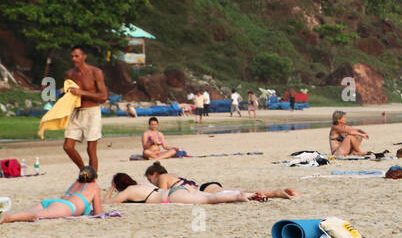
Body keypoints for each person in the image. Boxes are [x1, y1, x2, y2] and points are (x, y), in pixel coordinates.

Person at [139, 164, 301, 202]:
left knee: (234, 193)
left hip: (204, 190)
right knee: (240, 190)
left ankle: (276, 193)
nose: (151, 182)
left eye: (149, 179)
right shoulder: (172, 175)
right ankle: (276, 192)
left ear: (154, 174)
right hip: (205, 185)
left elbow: (162, 195)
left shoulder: (162, 177)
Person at [107, 172, 299, 204]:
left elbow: (109, 203)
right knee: (216, 194)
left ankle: (241, 196)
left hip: (171, 197)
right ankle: (251, 194)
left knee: (209, 200)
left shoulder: (128, 192)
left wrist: (110, 189)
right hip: (181, 190)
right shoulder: (144, 184)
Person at [2, 166, 102, 223]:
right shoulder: (94, 186)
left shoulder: (74, 184)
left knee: (25, 213)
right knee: (33, 216)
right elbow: (98, 212)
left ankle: (8, 216)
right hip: (66, 207)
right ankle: (7, 217)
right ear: (94, 178)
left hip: (53, 202)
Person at [63, 47, 108, 173]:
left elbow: (103, 97)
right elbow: (69, 94)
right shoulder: (70, 74)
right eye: (72, 56)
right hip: (76, 112)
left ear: (84, 57)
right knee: (68, 147)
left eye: (76, 56)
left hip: (92, 111)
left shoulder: (95, 72)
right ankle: (84, 170)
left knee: (91, 149)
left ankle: (92, 179)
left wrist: (81, 92)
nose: (74, 59)